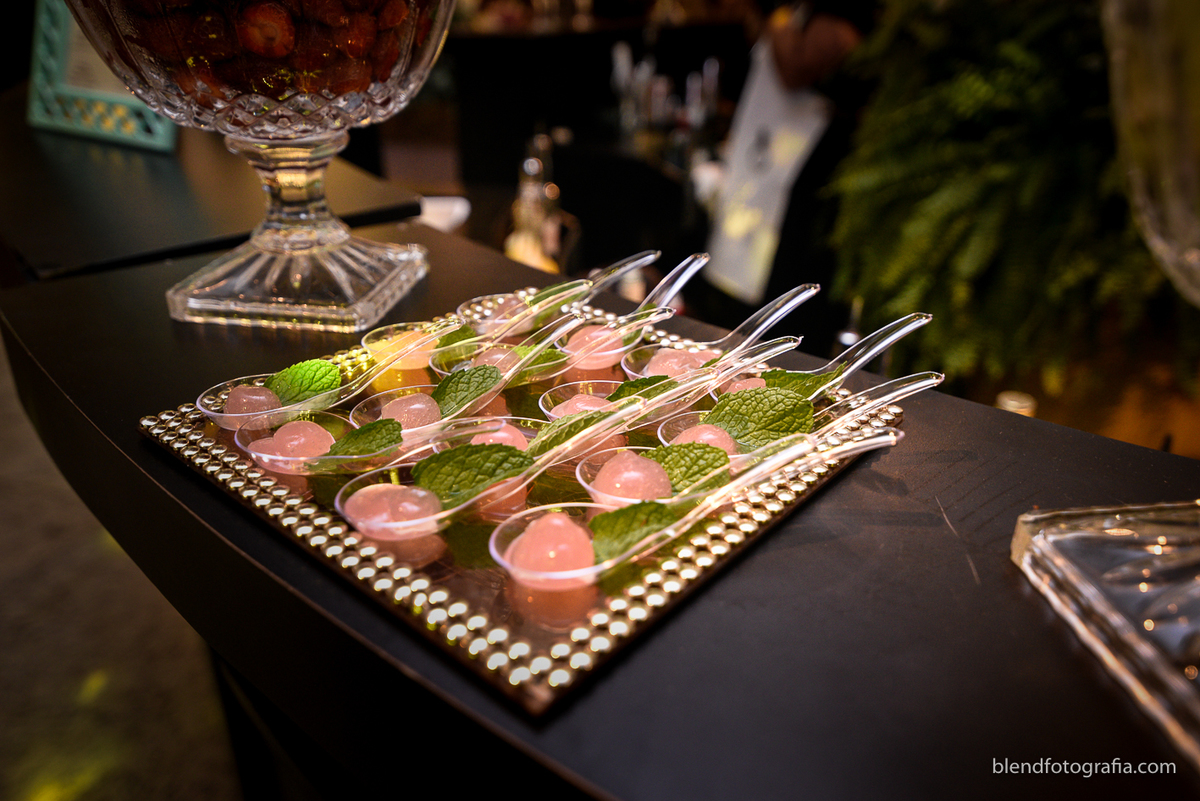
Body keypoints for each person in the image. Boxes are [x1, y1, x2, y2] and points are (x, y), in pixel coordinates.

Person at [689, 1, 877, 357]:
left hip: (803, 186)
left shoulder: (835, 20)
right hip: (771, 172)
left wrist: (775, 14)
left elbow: (795, 67)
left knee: (783, 317)